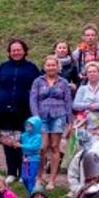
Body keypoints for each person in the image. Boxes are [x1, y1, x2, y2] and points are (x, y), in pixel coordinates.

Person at [0, 39, 39, 180]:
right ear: (9, 52)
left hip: (25, 109)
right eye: (13, 50)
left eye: (19, 49)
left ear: (24, 51)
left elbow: (36, 88)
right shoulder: (3, 67)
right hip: (5, 109)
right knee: (8, 140)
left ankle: (23, 172)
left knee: (24, 140)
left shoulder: (31, 68)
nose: (16, 52)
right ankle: (11, 172)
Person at [29, 54, 73, 189]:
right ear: (44, 67)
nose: (51, 67)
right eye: (48, 65)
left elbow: (68, 101)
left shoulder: (63, 82)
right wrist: (35, 117)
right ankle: (39, 176)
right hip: (41, 116)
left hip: (58, 116)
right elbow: (33, 99)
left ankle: (52, 180)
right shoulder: (38, 81)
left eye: (53, 65)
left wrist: (69, 121)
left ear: (58, 67)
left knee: (55, 147)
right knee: (42, 148)